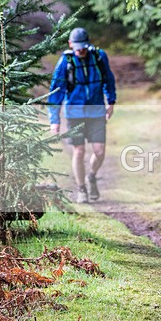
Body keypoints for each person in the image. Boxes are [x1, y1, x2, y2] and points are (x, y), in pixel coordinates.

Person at [48, 27, 116, 204]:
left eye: (83, 47)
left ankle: (91, 176)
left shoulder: (99, 57)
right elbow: (56, 92)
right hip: (74, 114)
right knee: (79, 152)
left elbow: (109, 79)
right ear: (71, 45)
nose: (81, 51)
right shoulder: (66, 61)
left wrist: (111, 102)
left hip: (96, 111)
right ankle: (81, 188)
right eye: (77, 47)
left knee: (99, 151)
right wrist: (54, 121)